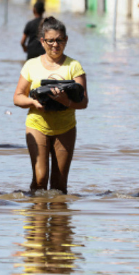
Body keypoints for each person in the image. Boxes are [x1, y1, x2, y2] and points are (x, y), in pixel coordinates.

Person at [13, 16, 88, 194]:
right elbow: (17, 97)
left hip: (65, 128)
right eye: (50, 40)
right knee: (40, 179)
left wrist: (67, 101)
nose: (55, 45)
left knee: (59, 185)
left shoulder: (74, 66)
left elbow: (83, 102)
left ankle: (58, 221)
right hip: (37, 125)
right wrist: (33, 102)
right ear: (42, 41)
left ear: (66, 40)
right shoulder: (31, 65)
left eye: (60, 40)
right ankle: (36, 218)